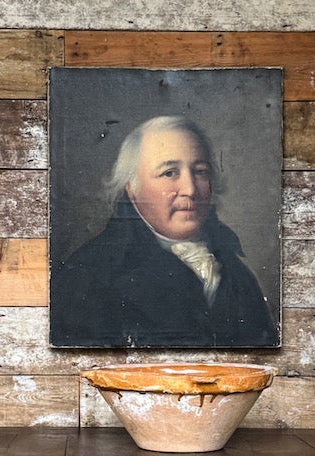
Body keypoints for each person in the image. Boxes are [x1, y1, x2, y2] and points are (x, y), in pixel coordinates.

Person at [50, 114, 279, 349]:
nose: (190, 189)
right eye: (169, 173)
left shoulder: (237, 271)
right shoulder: (87, 275)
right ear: (132, 188)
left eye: (200, 171)